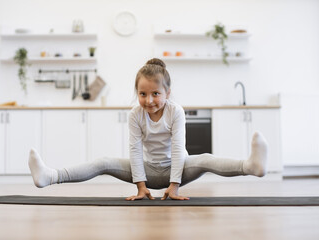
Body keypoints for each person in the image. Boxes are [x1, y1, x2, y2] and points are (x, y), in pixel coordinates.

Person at [29, 58, 268, 201]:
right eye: (142, 94)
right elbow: (134, 151)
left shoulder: (176, 111)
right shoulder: (135, 114)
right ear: (137, 93)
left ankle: (251, 166)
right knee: (103, 161)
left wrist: (174, 187)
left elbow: (177, 150)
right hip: (146, 171)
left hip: (180, 170)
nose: (149, 100)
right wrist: (141, 187)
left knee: (205, 159)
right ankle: (50, 176)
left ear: (167, 93)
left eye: (156, 94)